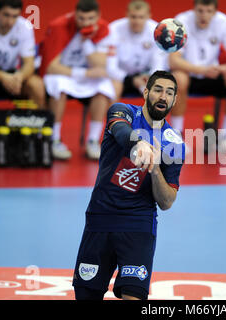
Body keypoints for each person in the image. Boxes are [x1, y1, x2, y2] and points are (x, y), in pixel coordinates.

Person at [72, 70, 185, 300]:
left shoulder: (175, 144)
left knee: (133, 296)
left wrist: (155, 170)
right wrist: (140, 143)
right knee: (85, 295)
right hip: (100, 217)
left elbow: (166, 202)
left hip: (138, 223)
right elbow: (121, 131)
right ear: (145, 92)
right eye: (158, 90)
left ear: (175, 100)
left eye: (169, 93)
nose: (163, 97)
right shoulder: (123, 111)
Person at [169, 0, 226, 155]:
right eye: (200, 11)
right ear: (194, 10)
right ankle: (176, 137)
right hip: (189, 73)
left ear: (214, 12)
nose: (204, 16)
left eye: (208, 11)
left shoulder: (223, 22)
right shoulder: (181, 21)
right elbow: (173, 60)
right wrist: (201, 70)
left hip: (213, 74)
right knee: (178, 78)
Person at [40, 0, 116, 161]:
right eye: (81, 18)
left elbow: (100, 65)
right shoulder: (59, 26)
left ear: (98, 16)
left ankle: (93, 141)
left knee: (103, 87)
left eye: (90, 19)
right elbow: (51, 67)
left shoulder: (103, 28)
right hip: (63, 73)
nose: (85, 23)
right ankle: (54, 140)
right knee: (58, 86)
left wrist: (86, 40)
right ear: (75, 15)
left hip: (83, 74)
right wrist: (86, 73)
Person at [0, 0, 45, 163]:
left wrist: (19, 77)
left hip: (12, 76)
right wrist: (3, 77)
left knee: (36, 85)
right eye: (6, 15)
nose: (10, 21)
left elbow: (29, 64)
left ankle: (37, 139)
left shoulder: (24, 27)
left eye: (14, 16)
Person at [108, 0, 168, 100]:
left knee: (160, 89)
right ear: (127, 15)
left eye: (141, 17)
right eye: (133, 17)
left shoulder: (158, 31)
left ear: (149, 16)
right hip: (121, 77)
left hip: (146, 77)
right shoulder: (114, 29)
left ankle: (159, 116)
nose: (137, 21)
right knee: (112, 89)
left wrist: (150, 78)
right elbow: (110, 66)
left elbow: (159, 63)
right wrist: (131, 80)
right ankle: (113, 116)